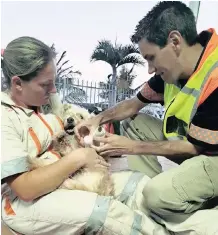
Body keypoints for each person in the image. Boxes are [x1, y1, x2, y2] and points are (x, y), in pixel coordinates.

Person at [1, 36, 172, 235]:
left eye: (54, 82)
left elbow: (73, 125)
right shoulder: (5, 118)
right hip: (26, 204)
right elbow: (25, 189)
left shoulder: (42, 106)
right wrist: (80, 157)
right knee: (107, 213)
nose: (54, 90)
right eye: (46, 85)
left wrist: (89, 139)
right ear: (18, 83)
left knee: (139, 185)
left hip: (70, 178)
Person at [75, 0, 218, 228]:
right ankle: (157, 196)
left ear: (174, 42)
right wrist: (97, 119)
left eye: (151, 57)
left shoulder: (215, 76)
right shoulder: (172, 70)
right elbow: (132, 106)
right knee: (136, 122)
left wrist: (129, 146)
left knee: (155, 195)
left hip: (212, 157)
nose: (150, 69)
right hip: (193, 148)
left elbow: (196, 148)